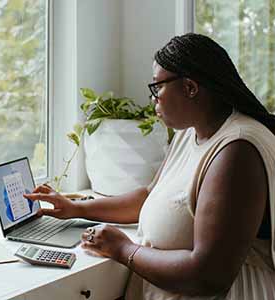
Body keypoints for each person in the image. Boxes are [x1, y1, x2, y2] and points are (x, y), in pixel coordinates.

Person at [24, 33, 275, 299]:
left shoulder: (236, 152)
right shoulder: (190, 132)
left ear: (190, 88)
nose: (153, 99)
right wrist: (76, 207)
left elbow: (207, 276)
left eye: (158, 87)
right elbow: (149, 195)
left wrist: (123, 250)